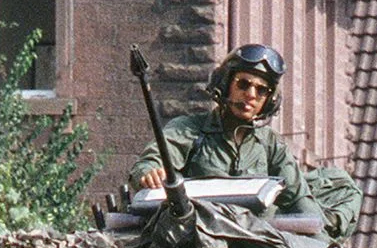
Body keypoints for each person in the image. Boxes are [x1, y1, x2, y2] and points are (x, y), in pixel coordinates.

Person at [131, 43, 315, 222]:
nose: (251, 95)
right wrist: (150, 173)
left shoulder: (271, 144)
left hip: (259, 242)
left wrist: (323, 246)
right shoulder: (189, 130)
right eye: (243, 84)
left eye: (261, 90)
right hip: (200, 237)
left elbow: (300, 200)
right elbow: (152, 161)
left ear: (269, 100)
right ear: (226, 85)